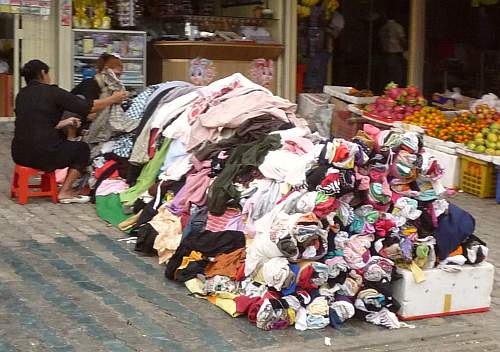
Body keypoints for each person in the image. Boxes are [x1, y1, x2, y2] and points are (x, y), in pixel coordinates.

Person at [12, 59, 128, 203]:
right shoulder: (52, 92)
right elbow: (88, 107)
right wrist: (113, 99)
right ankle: (65, 191)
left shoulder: (21, 95)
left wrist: (65, 122)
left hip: (19, 153)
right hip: (43, 154)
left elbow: (36, 124)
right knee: (82, 149)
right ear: (43, 73)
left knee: (59, 143)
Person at [67, 53, 124, 139]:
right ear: (106, 71)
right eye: (116, 75)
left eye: (120, 75)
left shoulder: (111, 87)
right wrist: (113, 100)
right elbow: (91, 113)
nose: (118, 79)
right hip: (76, 126)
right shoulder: (90, 84)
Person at [378, 13, 407, 85]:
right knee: (397, 74)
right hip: (395, 53)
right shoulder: (397, 27)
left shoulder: (382, 28)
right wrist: (407, 48)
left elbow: (379, 40)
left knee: (387, 73)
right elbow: (402, 39)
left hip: (385, 53)